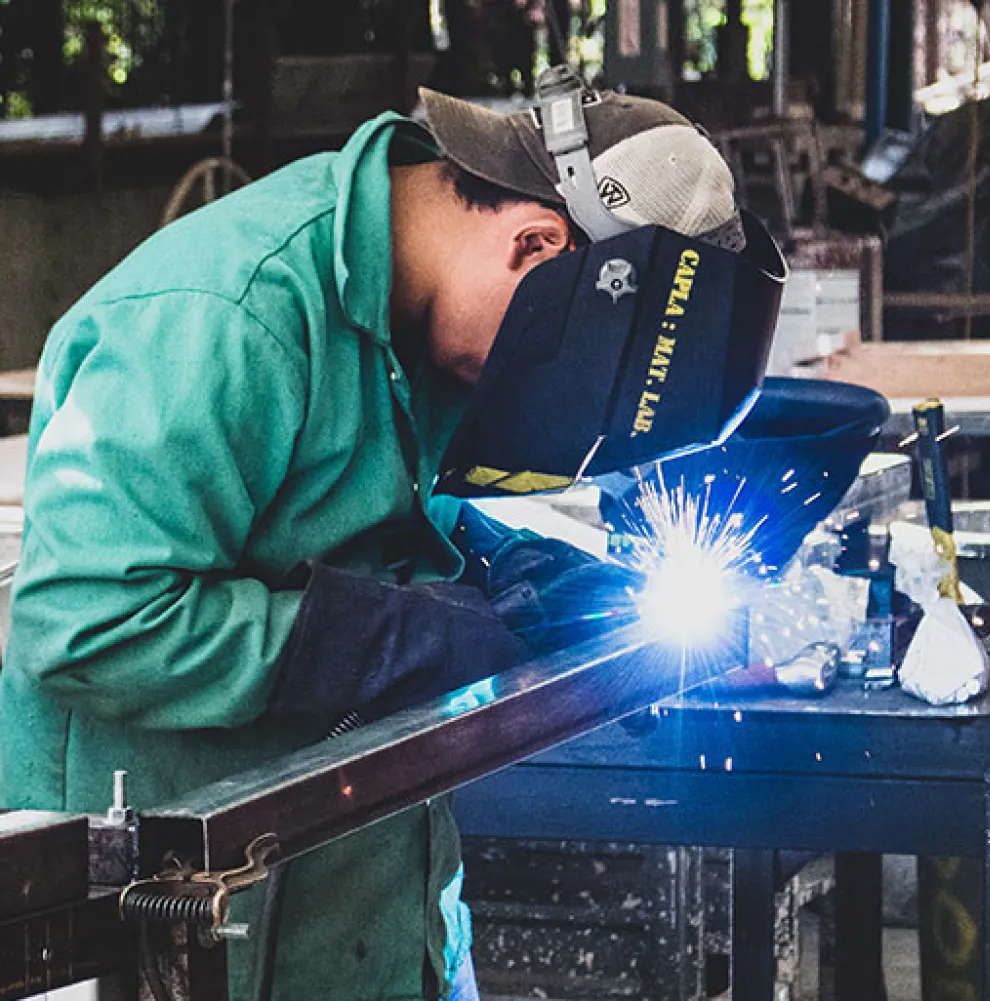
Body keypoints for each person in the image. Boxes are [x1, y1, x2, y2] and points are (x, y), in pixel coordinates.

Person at [0, 70, 751, 1001]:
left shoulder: (418, 318)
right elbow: (85, 621)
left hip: (380, 904)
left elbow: (371, 509)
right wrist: (384, 636)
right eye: (556, 358)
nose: (517, 389)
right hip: (177, 934)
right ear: (536, 243)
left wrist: (508, 563)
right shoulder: (229, 315)